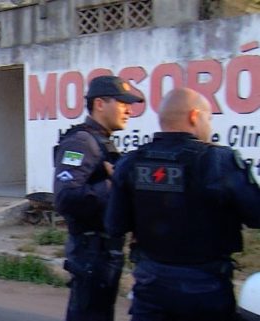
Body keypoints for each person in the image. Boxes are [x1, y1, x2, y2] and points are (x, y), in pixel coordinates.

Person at [105, 88, 260, 321]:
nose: (210, 126)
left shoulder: (130, 163)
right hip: (205, 289)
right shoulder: (220, 161)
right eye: (209, 118)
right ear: (194, 116)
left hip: (150, 287)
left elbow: (114, 225)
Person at [53, 75, 144, 321]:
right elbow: (66, 197)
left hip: (105, 252)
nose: (128, 110)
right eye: (122, 103)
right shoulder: (81, 142)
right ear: (100, 104)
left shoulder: (101, 141)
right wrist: (112, 184)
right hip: (90, 252)